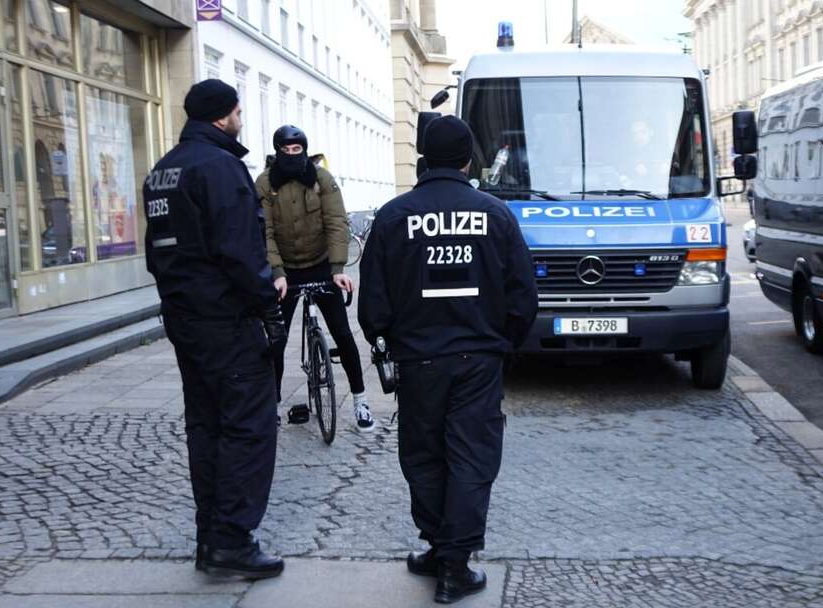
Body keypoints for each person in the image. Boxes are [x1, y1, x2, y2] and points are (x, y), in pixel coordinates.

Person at [358, 115, 538, 604]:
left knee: (424, 454)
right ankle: (452, 562)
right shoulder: (494, 214)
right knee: (471, 456)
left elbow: (372, 304)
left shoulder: (395, 216)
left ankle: (442, 550)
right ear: (467, 160)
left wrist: (385, 337)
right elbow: (524, 296)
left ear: (424, 160)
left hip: (419, 360)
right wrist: (507, 344)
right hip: (478, 357)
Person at [143, 79, 285, 579]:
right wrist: (267, 303)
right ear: (224, 116)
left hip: (185, 319)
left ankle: (211, 537)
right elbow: (240, 250)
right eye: (239, 110)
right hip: (226, 321)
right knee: (247, 428)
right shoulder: (221, 168)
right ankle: (232, 541)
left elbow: (153, 254)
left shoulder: (163, 170)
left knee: (206, 428)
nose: (242, 117)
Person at [255, 125, 375, 433]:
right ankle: (273, 405)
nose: (292, 155)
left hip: (322, 265)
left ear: (305, 151)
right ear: (277, 151)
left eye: (298, 150)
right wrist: (277, 274)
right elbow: (263, 232)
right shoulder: (265, 184)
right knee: (276, 339)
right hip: (286, 271)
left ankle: (361, 400)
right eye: (286, 150)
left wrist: (338, 269)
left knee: (343, 333)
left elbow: (337, 223)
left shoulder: (322, 179)